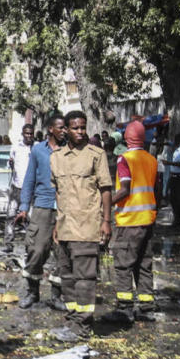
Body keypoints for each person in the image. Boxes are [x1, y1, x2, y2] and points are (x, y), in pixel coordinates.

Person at [50, 110, 113, 338]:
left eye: (83, 127)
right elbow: (58, 191)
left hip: (88, 226)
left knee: (85, 280)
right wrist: (58, 222)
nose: (80, 132)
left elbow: (106, 189)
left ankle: (83, 327)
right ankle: (72, 321)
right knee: (67, 278)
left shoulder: (96, 154)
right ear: (65, 129)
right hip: (66, 227)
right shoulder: (56, 157)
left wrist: (107, 221)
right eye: (75, 128)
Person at [107, 120, 159, 324]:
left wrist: (106, 203)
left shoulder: (124, 159)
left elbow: (125, 189)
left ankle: (124, 309)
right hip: (148, 219)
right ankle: (146, 308)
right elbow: (156, 191)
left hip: (129, 221)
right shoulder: (151, 159)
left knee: (123, 265)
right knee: (144, 265)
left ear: (126, 139)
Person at [16, 113, 66, 310]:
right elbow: (29, 180)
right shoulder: (38, 151)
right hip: (42, 207)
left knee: (62, 253)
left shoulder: (69, 150)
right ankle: (32, 292)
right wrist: (23, 208)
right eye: (60, 127)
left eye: (65, 127)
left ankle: (56, 295)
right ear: (50, 130)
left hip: (64, 208)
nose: (64, 131)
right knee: (36, 250)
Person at [5, 123, 35, 252]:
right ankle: (8, 244)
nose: (28, 136)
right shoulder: (16, 147)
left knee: (31, 218)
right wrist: (10, 164)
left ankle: (31, 245)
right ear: (23, 134)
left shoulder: (37, 147)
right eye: (26, 133)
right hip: (16, 187)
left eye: (30, 133)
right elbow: (10, 164)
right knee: (11, 216)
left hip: (32, 189)